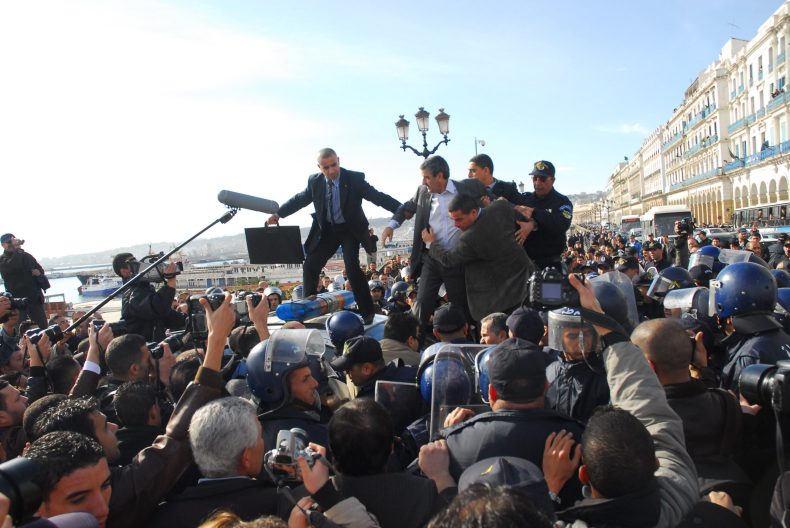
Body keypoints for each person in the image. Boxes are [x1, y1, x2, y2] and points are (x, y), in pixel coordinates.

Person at [547, 274, 698, 528]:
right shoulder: (678, 496)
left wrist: (550, 493)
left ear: (584, 474)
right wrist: (605, 325)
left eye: (581, 335)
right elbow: (648, 408)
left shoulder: (606, 379)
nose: (571, 343)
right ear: (656, 462)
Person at [441, 337, 584, 506]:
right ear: (546, 386)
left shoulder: (453, 443)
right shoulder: (577, 438)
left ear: (491, 392)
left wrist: (450, 437)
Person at [267, 148, 401, 324]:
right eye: (326, 167)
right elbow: (299, 199)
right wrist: (278, 214)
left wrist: (402, 210)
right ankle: (309, 306)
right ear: (319, 167)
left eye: (333, 165)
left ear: (339, 160)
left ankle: (367, 311)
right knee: (310, 265)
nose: (331, 171)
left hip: (350, 230)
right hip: (328, 231)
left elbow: (377, 197)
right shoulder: (315, 182)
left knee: (352, 268)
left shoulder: (354, 179)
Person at [381, 155, 488, 334]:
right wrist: (391, 226)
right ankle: (414, 341)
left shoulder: (468, 188)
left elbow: (494, 201)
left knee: (460, 307)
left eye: (427, 177)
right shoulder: (422, 192)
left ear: (440, 176)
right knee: (422, 304)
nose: (423, 182)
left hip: (456, 259)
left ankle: (467, 342)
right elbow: (406, 208)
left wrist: (525, 220)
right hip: (432, 258)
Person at [149, 397, 277, 528]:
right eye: (260, 436)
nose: (263, 442)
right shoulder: (279, 507)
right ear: (246, 458)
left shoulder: (163, 516)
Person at [423, 193, 534, 322]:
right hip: (527, 284)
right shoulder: (501, 206)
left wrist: (431, 243)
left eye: (459, 219)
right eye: (452, 220)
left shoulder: (469, 238)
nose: (455, 225)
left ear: (473, 212)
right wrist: (530, 225)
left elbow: (448, 260)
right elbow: (526, 218)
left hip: (500, 301)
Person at [112, 253, 185, 342]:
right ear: (124, 272)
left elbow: (166, 316)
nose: (139, 264)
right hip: (143, 347)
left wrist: (187, 318)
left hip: (153, 344)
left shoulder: (143, 289)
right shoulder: (131, 294)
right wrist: (171, 280)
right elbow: (158, 307)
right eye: (133, 263)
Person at [514, 161, 573, 270]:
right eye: (534, 178)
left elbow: (561, 224)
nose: (537, 182)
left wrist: (534, 213)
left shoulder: (562, 202)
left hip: (551, 266)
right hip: (526, 266)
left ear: (553, 180)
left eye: (542, 179)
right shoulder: (526, 200)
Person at [330, 335, 417, 400]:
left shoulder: (367, 404)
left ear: (367, 368)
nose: (346, 373)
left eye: (349, 369)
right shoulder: (413, 374)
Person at [0, 233, 49, 328]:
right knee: (20, 329)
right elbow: (14, 265)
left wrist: (38, 274)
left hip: (34, 300)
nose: (12, 244)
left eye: (13, 241)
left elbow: (40, 271)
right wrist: (18, 250)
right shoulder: (2, 260)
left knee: (42, 328)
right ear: (3, 245)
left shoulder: (27, 256)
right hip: (18, 303)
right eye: (9, 242)